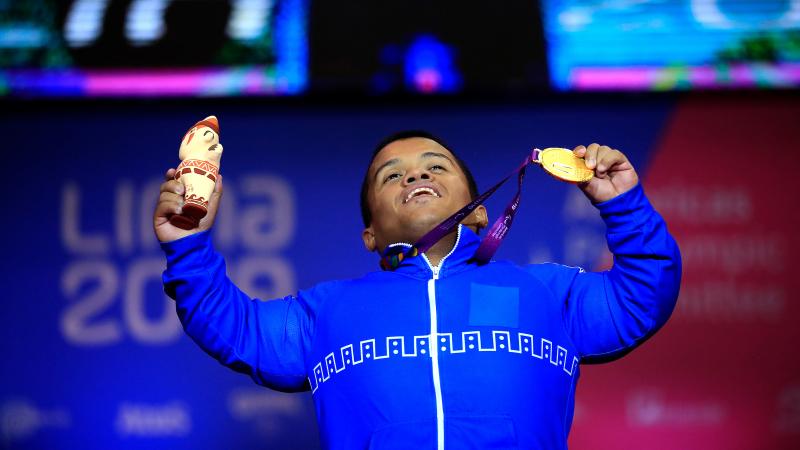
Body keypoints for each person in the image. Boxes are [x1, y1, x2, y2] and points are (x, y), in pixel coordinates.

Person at [154, 132, 681, 450]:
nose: (414, 177)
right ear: (370, 235)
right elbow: (236, 328)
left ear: (479, 209)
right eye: (392, 176)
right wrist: (187, 247)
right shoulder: (327, 313)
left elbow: (642, 294)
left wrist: (625, 205)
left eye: (435, 167)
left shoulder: (547, 292)